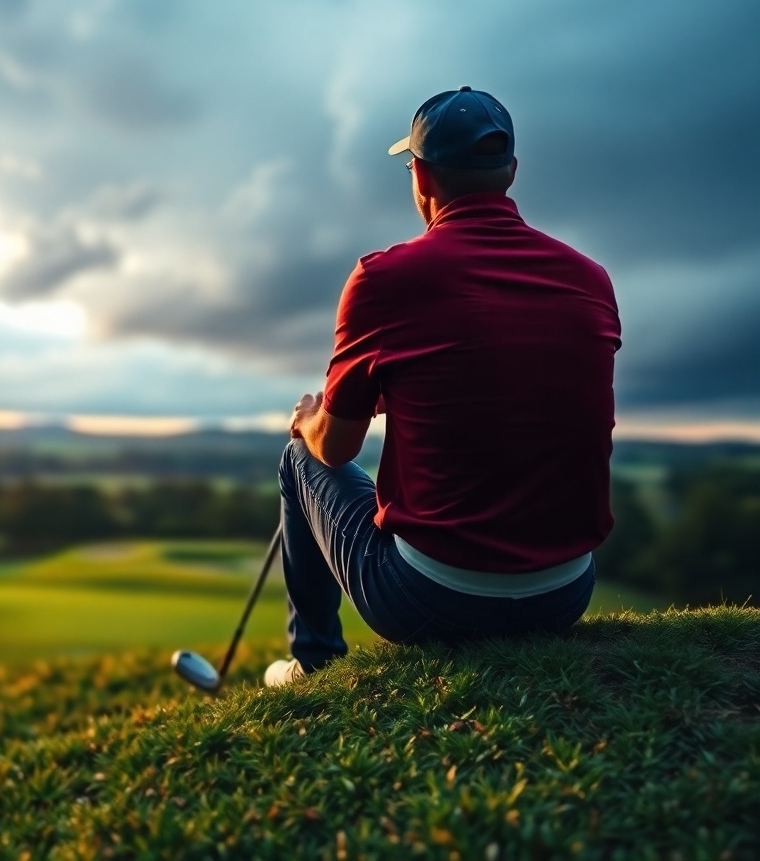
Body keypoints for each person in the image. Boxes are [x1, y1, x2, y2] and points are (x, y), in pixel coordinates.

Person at [265, 85, 622, 687]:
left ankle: (313, 662)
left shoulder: (382, 279)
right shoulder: (592, 278)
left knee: (300, 452)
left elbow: (336, 449)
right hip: (564, 594)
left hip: (430, 601)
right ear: (510, 171)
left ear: (421, 176)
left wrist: (307, 418)